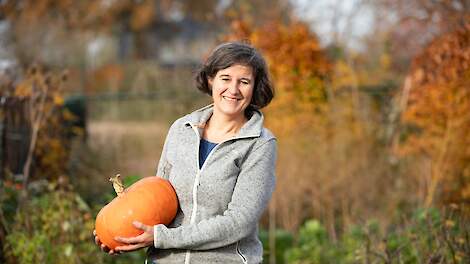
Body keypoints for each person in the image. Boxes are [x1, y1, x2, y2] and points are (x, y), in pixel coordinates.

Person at [94, 41, 277, 264]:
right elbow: (157, 199)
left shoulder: (260, 144)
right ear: (211, 80)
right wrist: (117, 235)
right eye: (225, 78)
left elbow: (239, 221)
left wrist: (164, 237)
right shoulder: (181, 129)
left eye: (244, 81)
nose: (234, 89)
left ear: (255, 87)